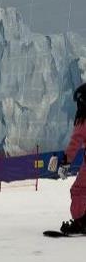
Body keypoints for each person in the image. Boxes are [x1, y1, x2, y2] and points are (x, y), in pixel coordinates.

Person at [58, 83, 86, 234]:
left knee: (79, 190)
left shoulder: (83, 120)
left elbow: (76, 141)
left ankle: (81, 222)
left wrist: (66, 161)